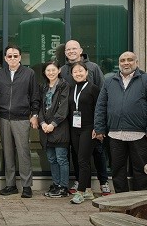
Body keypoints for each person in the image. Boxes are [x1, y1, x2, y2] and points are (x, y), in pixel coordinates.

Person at [93, 51, 147, 193]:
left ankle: (142, 201)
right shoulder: (110, 81)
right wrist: (99, 128)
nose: (126, 63)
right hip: (115, 134)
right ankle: (121, 200)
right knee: (117, 169)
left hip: (139, 134)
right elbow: (101, 106)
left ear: (136, 62)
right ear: (119, 64)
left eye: (130, 60)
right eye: (122, 60)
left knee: (141, 169)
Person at [60, 40, 111, 196]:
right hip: (73, 122)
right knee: (77, 153)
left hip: (91, 122)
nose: (71, 51)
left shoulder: (93, 67)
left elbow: (103, 95)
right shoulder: (62, 70)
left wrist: (100, 124)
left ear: (80, 50)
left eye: (74, 48)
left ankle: (103, 182)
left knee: (98, 152)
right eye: (68, 49)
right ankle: (80, 181)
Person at [0, 44, 41, 198]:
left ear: (20, 57)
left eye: (15, 55)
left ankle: (27, 186)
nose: (12, 58)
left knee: (24, 152)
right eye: (9, 56)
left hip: (22, 118)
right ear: (5, 58)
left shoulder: (29, 73)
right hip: (4, 118)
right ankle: (10, 185)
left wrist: (34, 114)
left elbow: (35, 96)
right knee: (8, 153)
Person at [68, 62, 101, 204]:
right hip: (74, 129)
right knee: (80, 160)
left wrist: (98, 128)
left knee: (82, 159)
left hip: (89, 128)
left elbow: (100, 109)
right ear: (71, 74)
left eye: (81, 71)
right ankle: (88, 190)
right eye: (75, 72)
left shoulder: (94, 89)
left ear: (87, 72)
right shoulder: (72, 88)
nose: (78, 73)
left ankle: (80, 192)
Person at [38, 60, 70, 198]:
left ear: (59, 70)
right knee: (51, 159)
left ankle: (63, 187)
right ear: (45, 73)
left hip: (59, 129)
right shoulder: (44, 87)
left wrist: (53, 124)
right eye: (48, 70)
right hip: (46, 129)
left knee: (61, 158)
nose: (51, 72)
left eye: (53, 70)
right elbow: (40, 107)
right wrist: (42, 122)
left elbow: (63, 108)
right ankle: (56, 184)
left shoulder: (64, 86)